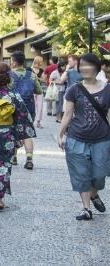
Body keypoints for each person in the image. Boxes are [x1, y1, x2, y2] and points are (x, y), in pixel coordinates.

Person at [58, 53, 110, 221]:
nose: (85, 68)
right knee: (81, 174)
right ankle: (86, 208)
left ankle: (94, 194)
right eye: (82, 65)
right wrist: (60, 134)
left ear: (97, 67)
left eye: (89, 65)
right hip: (77, 137)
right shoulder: (74, 89)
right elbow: (67, 114)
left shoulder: (108, 89)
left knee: (99, 175)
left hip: (102, 139)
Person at [0, 63, 37, 210]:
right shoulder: (14, 96)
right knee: (4, 166)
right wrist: (19, 136)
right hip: (7, 135)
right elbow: (22, 117)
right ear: (9, 78)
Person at [9, 51, 41, 167]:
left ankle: (14, 157)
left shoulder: (9, 75)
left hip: (13, 107)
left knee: (13, 132)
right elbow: (39, 91)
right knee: (27, 134)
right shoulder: (32, 75)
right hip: (28, 108)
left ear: (14, 62)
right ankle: (29, 159)